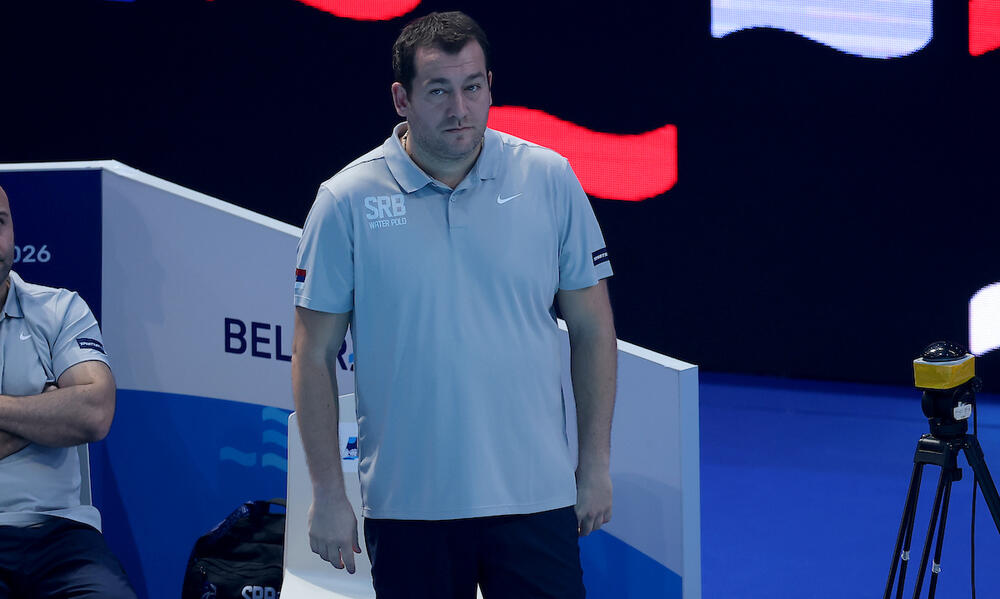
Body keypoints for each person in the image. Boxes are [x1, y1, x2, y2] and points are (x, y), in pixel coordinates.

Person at [292, 11, 616, 598]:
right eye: (439, 91)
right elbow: (312, 356)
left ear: (490, 86)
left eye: (472, 87)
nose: (460, 109)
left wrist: (593, 466)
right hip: (409, 506)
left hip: (536, 498)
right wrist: (329, 494)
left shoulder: (549, 179)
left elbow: (593, 330)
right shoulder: (345, 201)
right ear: (402, 98)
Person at [0, 185, 136, 598]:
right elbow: (74, 411)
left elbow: (95, 413)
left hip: (62, 536)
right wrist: (46, 408)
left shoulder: (60, 310)